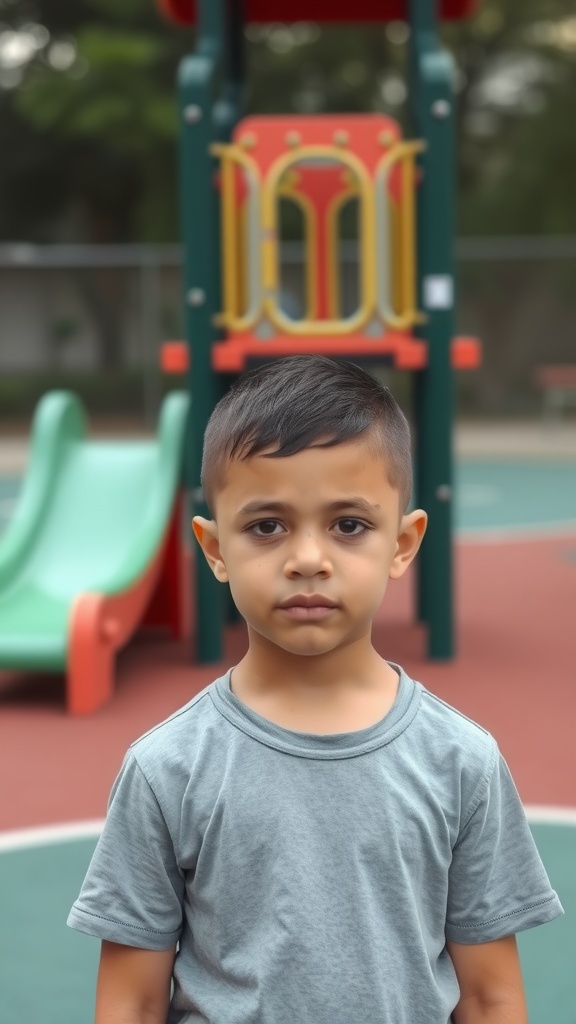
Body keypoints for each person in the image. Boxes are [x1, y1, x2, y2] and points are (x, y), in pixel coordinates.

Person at [68, 355, 562, 1024]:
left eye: (348, 525)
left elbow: (490, 996)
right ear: (214, 549)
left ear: (403, 540)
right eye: (266, 526)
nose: (307, 557)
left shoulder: (461, 761)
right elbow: (133, 999)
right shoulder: (167, 769)